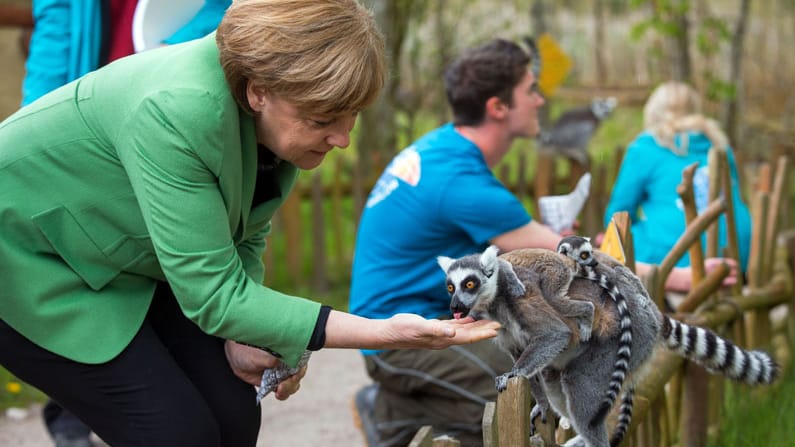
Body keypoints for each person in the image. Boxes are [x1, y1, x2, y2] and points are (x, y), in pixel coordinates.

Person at [0, 1, 500, 447]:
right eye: (326, 117)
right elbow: (213, 295)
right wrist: (382, 331)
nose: (343, 139)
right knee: (175, 433)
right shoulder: (177, 109)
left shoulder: (275, 117)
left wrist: (251, 334)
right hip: (28, 260)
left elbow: (245, 232)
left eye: (351, 115)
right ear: (260, 92)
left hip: (118, 251)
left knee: (235, 413)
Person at [348, 42, 741, 447]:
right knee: (521, 398)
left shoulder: (444, 150)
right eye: (531, 89)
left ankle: (395, 414)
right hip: (403, 336)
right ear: (499, 106)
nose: (541, 100)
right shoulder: (462, 182)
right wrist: (679, 277)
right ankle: (400, 407)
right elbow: (574, 262)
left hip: (419, 319)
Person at [19, 2, 232, 445]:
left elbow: (228, 11)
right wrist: (35, 124)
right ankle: (76, 412)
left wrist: (164, 60)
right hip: (87, 115)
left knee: (165, 259)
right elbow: (56, 26)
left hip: (166, 96)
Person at [603, 81, 752, 277]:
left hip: (677, 258)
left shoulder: (646, 147)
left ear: (652, 111)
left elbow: (618, 213)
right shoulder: (720, 145)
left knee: (620, 236)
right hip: (736, 254)